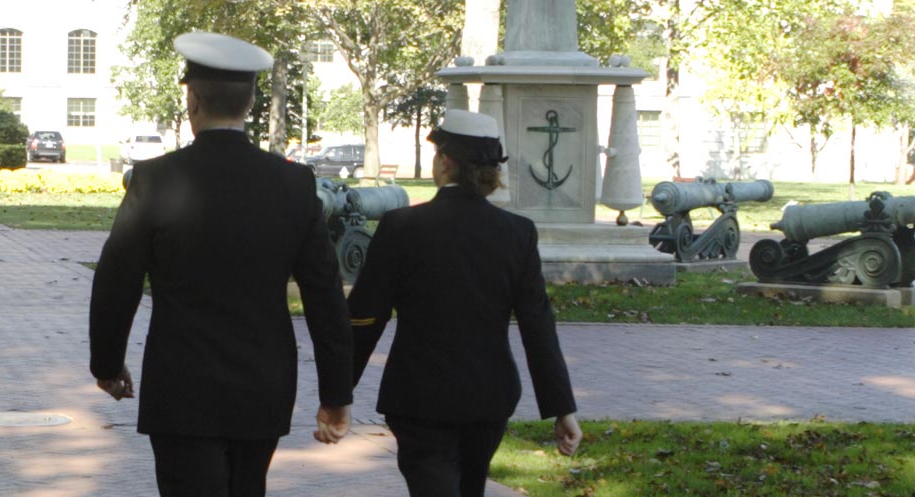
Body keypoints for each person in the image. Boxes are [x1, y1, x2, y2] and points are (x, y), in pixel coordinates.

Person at [89, 32, 356, 497]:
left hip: (181, 383)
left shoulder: (155, 179)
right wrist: (336, 395)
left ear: (191, 100)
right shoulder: (294, 183)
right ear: (250, 102)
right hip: (263, 383)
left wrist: (108, 364)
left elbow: (117, 279)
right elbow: (324, 294)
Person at [345, 110, 582, 497]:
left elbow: (365, 318)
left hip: (418, 397)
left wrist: (338, 394)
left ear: (444, 161)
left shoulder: (402, 226)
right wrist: (562, 408)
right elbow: (538, 325)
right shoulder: (517, 234)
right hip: (489, 398)